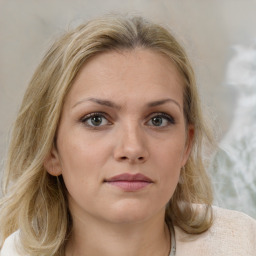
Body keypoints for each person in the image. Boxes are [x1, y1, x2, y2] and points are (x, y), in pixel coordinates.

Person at [0, 14, 255, 256]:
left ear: (187, 144)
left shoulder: (241, 243)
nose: (132, 148)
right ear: (50, 150)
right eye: (96, 120)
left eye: (158, 120)